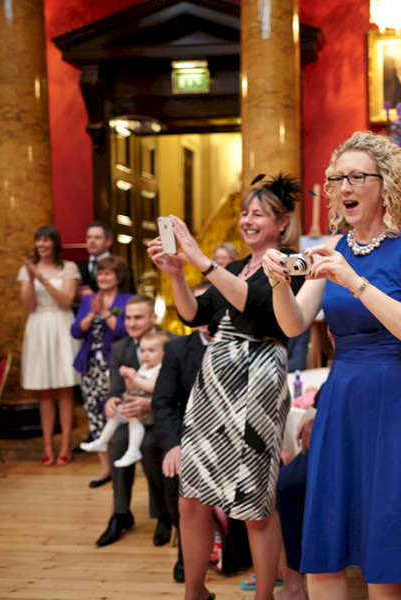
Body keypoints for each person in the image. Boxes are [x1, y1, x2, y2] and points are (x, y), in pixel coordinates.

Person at [264, 131, 401, 598]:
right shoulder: (330, 249)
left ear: (387, 184)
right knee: (326, 551)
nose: (344, 187)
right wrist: (279, 283)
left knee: (384, 562)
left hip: (399, 400)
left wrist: (354, 281)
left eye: (357, 176)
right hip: (344, 403)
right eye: (337, 178)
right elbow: (294, 325)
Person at [148, 173, 305, 600]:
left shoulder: (291, 263)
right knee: (191, 496)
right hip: (214, 382)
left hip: (259, 378)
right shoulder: (234, 267)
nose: (248, 220)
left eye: (259, 214)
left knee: (255, 500)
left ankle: (264, 597)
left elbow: (255, 307)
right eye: (244, 213)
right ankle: (195, 592)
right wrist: (178, 273)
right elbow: (195, 315)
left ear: (282, 222)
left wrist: (202, 260)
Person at [93, 294, 173, 549]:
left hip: (163, 418)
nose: (131, 323)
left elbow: (177, 392)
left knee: (150, 446)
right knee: (118, 442)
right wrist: (112, 400)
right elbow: (116, 388)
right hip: (133, 418)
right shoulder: (121, 348)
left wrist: (150, 404)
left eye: (138, 317)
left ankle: (164, 515)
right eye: (128, 317)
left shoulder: (171, 344)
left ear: (153, 318)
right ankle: (120, 514)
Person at [152, 281, 213, 583]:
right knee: (172, 470)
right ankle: (187, 556)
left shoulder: (241, 344)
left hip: (232, 436)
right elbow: (163, 402)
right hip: (190, 436)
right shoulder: (177, 349)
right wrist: (174, 445)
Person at [18, 225, 81, 466]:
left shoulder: (69, 268)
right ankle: (48, 447)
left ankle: (65, 445)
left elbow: (66, 301)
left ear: (55, 243)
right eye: (38, 240)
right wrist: (31, 280)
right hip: (38, 326)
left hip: (61, 324)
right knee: (44, 390)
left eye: (47, 240)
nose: (42, 245)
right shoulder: (26, 270)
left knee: (65, 388)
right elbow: (28, 306)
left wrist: (42, 278)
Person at [71, 256, 133, 487]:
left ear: (118, 277)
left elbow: (125, 332)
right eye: (100, 274)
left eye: (108, 273)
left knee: (116, 412)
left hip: (115, 365)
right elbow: (76, 331)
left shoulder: (127, 300)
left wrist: (106, 313)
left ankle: (123, 463)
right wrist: (90, 314)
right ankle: (105, 469)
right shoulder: (89, 300)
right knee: (95, 416)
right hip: (91, 366)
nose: (103, 278)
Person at [82, 330, 168, 467]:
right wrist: (127, 378)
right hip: (137, 405)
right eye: (143, 350)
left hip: (151, 411)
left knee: (133, 418)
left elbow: (151, 387)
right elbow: (132, 389)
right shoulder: (145, 367)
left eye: (151, 351)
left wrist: (134, 376)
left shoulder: (160, 368)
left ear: (164, 352)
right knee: (116, 413)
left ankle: (133, 451)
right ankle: (102, 441)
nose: (145, 354)